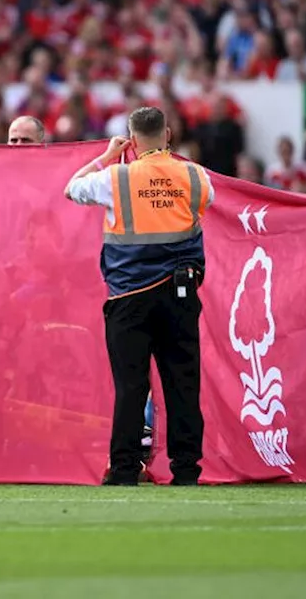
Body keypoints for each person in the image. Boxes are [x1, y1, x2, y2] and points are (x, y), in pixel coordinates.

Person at [64, 107, 214, 486]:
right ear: (168, 133)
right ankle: (185, 471)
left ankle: (126, 469)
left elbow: (71, 187)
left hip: (129, 297)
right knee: (183, 383)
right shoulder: (194, 174)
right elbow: (205, 204)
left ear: (131, 140)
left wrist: (108, 155)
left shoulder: (115, 177)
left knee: (131, 387)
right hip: (179, 294)